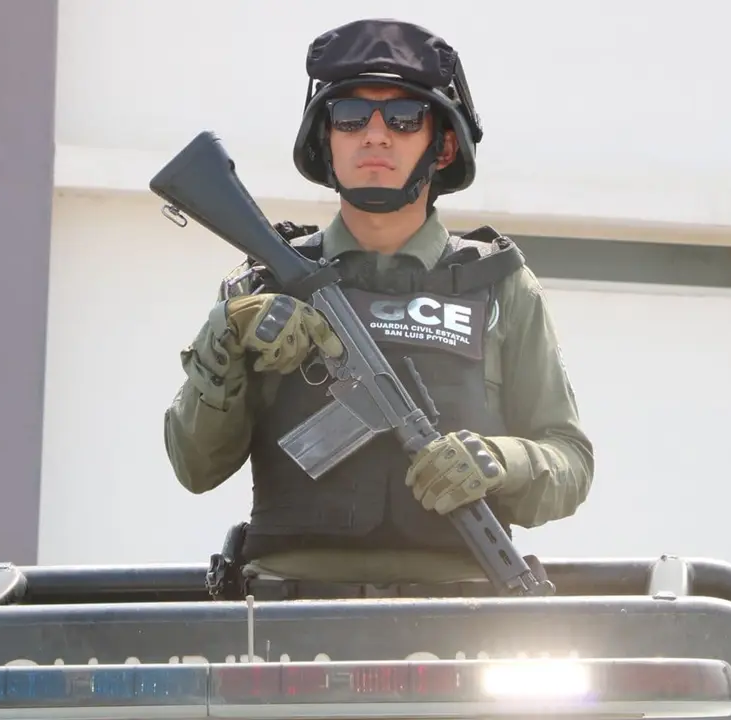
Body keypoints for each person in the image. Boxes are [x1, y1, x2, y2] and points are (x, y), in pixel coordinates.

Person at [163, 18, 594, 597]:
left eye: (403, 117)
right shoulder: (262, 285)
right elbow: (195, 467)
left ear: (443, 144)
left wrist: (498, 460)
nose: (374, 135)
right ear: (326, 140)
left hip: (462, 616)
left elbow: (570, 461)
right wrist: (226, 335)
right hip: (283, 617)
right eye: (350, 116)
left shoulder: (499, 287)